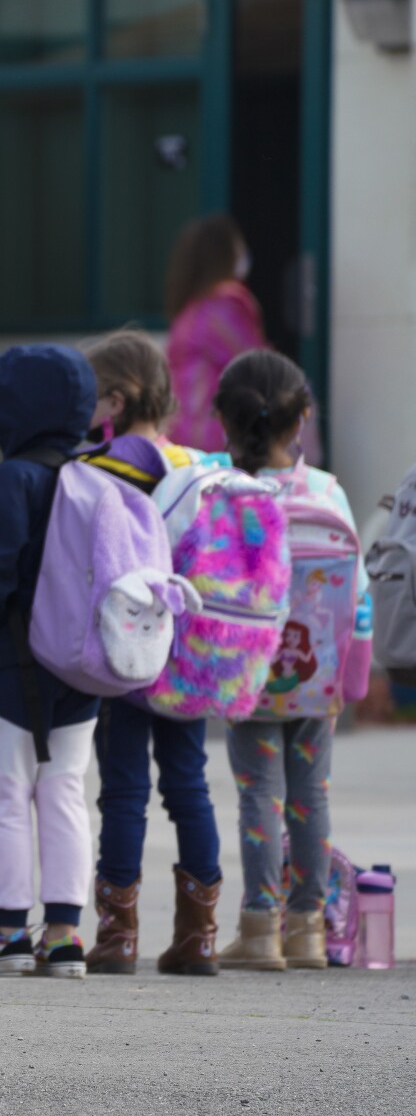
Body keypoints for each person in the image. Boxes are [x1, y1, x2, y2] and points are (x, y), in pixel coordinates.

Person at [212, 350, 365, 972]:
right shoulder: (327, 491)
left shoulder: (223, 491)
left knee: (259, 797)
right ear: (303, 419)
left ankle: (259, 927)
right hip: (318, 674)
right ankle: (307, 927)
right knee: (312, 796)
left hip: (250, 674)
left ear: (226, 420)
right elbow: (356, 596)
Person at [77, 331, 223, 976]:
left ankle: (118, 936)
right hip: (190, 653)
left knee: (125, 790)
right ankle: (200, 936)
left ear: (113, 400)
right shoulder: (202, 468)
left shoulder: (100, 469)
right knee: (189, 785)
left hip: (125, 652)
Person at [0, 344, 98, 979]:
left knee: (9, 794)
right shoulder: (96, 476)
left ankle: (10, 931)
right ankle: (65, 934)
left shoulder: (14, 478)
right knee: (67, 791)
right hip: (80, 670)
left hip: (13, 667)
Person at [165, 215, 265, 454]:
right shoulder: (226, 304)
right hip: (219, 437)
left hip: (181, 434)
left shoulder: (189, 311)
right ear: (224, 253)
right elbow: (261, 368)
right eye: (238, 245)